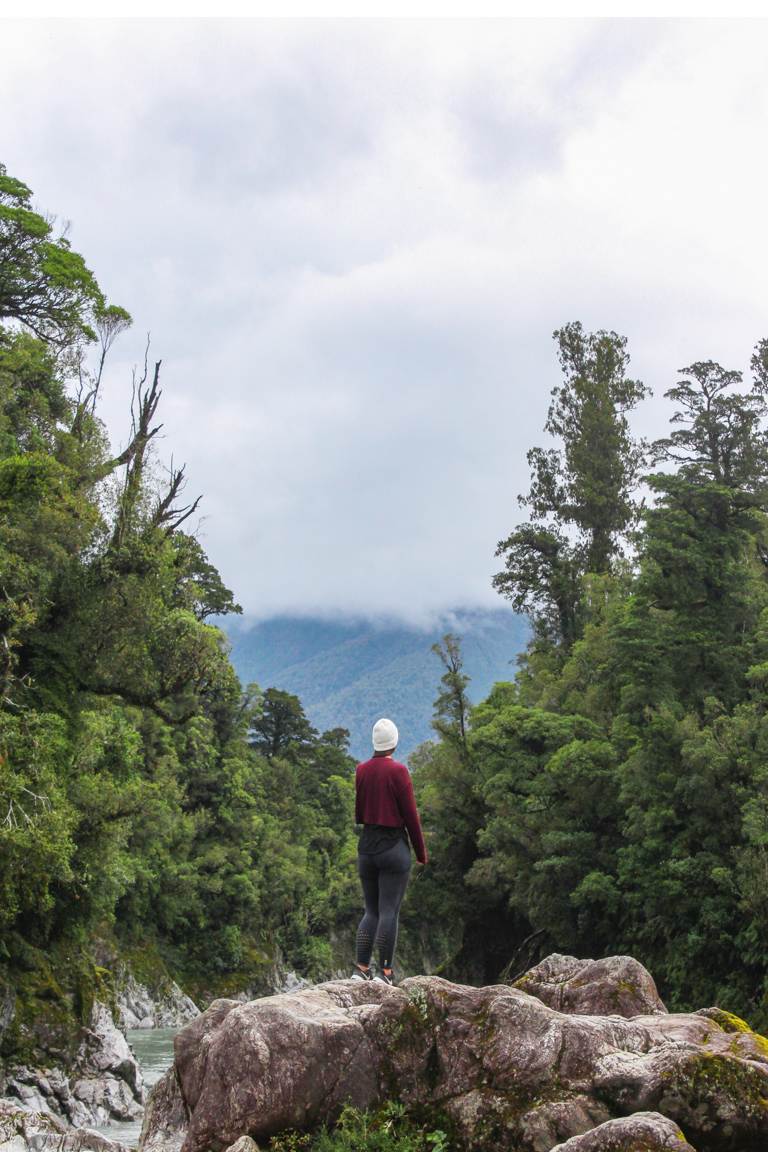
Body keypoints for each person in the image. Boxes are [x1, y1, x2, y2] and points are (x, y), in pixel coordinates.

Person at [351, 717, 428, 986]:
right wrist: (421, 853)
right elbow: (411, 817)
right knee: (388, 912)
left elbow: (360, 812)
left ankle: (360, 969)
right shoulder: (399, 772)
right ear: (394, 742)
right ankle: (385, 973)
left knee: (370, 911)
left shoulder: (361, 770)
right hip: (393, 849)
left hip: (367, 848)